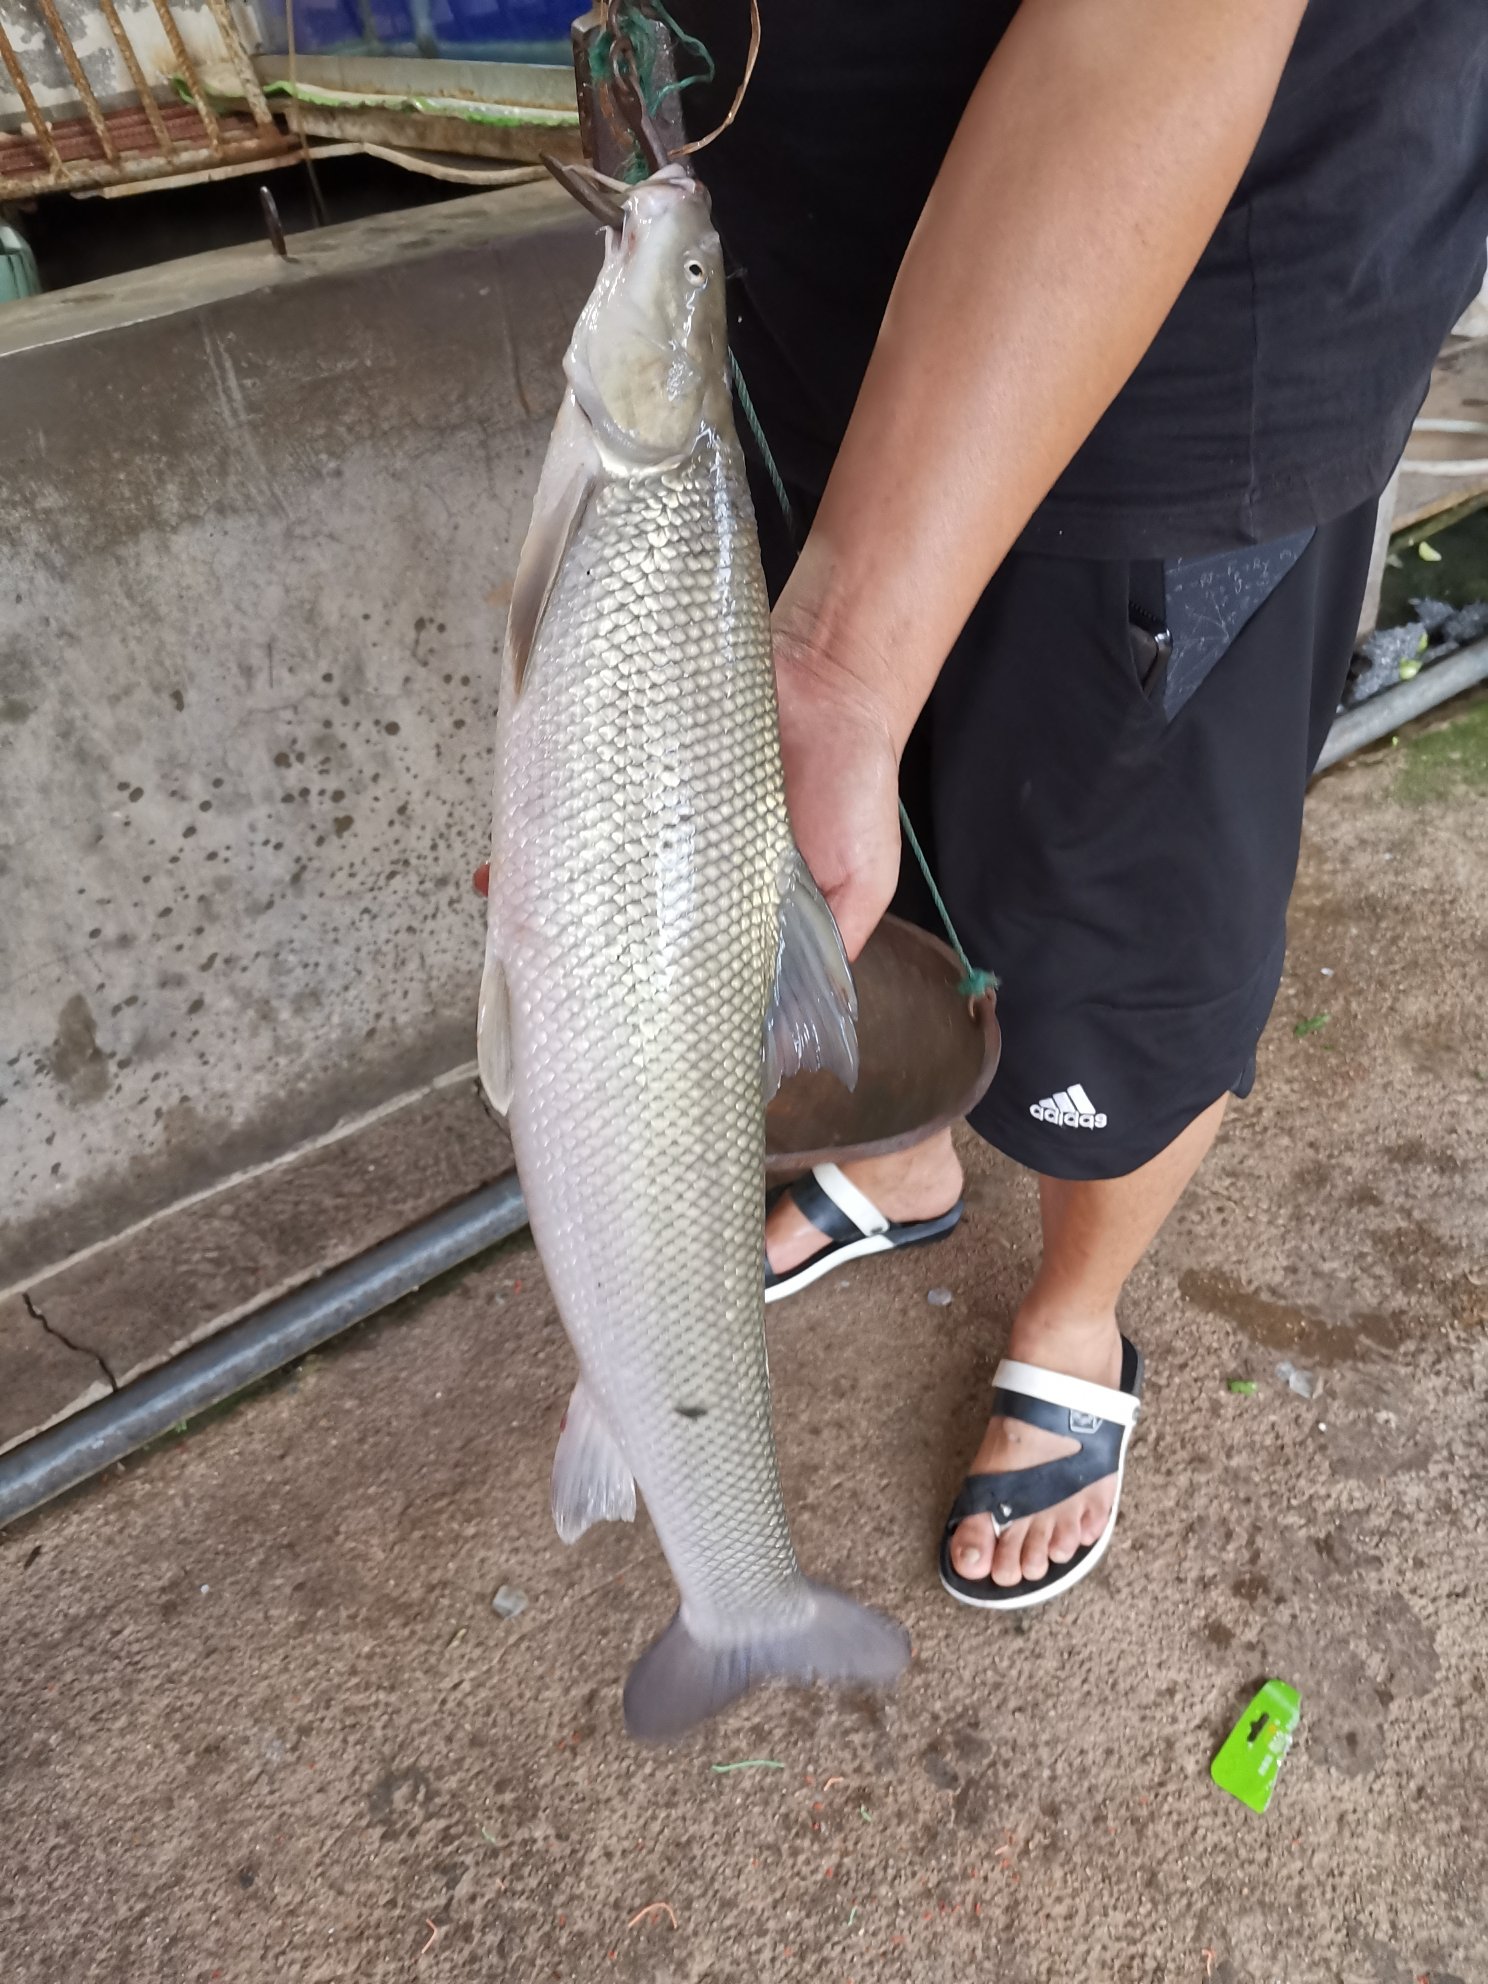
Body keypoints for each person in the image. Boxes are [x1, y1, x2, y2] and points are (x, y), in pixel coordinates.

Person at [679, 0, 1488, 1608]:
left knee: (1118, 936)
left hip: (1185, 297)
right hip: (828, 254)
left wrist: (842, 661)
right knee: (854, 834)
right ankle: (909, 1160)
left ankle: (1073, 1307)